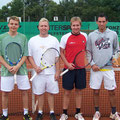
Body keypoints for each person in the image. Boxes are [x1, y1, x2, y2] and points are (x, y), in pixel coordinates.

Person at [86, 13, 120, 120]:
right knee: (95, 91)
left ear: (107, 22)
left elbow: (116, 49)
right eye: (99, 21)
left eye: (103, 21)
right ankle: (97, 112)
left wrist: (115, 59)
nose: (101, 23)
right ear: (97, 22)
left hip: (108, 68)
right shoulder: (91, 35)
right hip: (96, 69)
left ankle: (113, 113)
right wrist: (92, 64)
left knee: (112, 91)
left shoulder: (113, 34)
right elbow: (88, 52)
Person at [0, 16, 31, 120]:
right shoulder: (1, 37)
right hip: (6, 70)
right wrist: (8, 66)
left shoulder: (23, 37)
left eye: (16, 24)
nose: (13, 26)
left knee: (24, 92)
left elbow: (25, 54)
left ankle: (26, 113)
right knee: (5, 93)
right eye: (12, 24)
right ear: (8, 25)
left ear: (18, 25)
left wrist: (17, 66)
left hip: (21, 70)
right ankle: (5, 115)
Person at [28, 18, 60, 120]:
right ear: (38, 27)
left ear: (48, 27)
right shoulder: (32, 40)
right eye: (41, 26)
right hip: (37, 73)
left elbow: (57, 57)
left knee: (51, 93)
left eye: (45, 26)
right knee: (40, 93)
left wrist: (58, 71)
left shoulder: (54, 40)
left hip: (51, 72)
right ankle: (40, 112)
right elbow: (30, 56)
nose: (43, 28)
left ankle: (52, 112)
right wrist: (35, 67)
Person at [59, 17, 87, 120]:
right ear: (71, 26)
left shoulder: (85, 36)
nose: (75, 27)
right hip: (68, 69)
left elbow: (86, 50)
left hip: (80, 69)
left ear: (80, 25)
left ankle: (78, 113)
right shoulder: (65, 37)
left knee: (79, 91)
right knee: (67, 92)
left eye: (77, 25)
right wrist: (67, 64)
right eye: (73, 25)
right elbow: (61, 52)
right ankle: (64, 113)